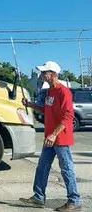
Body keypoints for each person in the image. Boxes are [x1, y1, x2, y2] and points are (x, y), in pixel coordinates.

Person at [19, 61, 81, 211]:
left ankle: (74, 200)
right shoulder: (49, 92)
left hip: (60, 137)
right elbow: (47, 111)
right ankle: (38, 197)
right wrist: (31, 105)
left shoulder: (63, 91)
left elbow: (68, 116)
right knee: (42, 166)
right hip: (50, 137)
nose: (41, 75)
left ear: (52, 74)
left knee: (66, 168)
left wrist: (54, 134)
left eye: (44, 72)